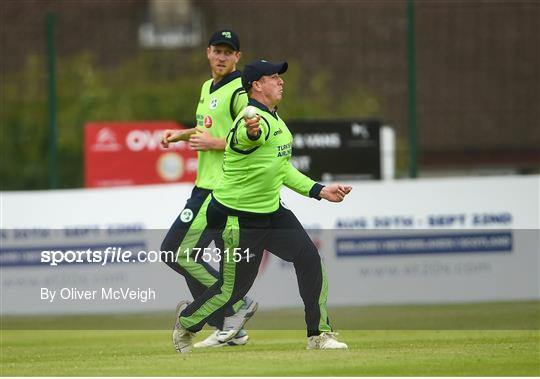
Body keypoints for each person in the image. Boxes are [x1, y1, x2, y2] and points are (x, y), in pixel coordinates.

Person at [172, 59, 352, 353]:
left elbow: (282, 169)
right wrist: (251, 131)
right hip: (238, 217)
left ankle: (319, 334)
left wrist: (319, 190)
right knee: (232, 290)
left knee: (309, 259)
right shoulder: (253, 118)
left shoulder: (275, 119)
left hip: (271, 212)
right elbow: (246, 138)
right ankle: (186, 323)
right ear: (257, 85)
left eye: (280, 77)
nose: (281, 81)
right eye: (274, 77)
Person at [160, 29, 258, 348]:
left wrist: (215, 143)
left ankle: (235, 308)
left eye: (228, 53)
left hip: (221, 190)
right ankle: (231, 326)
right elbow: (207, 128)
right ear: (208, 52)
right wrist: (181, 135)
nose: (221, 57)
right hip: (202, 187)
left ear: (237, 58)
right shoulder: (207, 87)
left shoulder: (239, 91)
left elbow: (252, 138)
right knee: (177, 253)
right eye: (217, 50)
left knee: (179, 252)